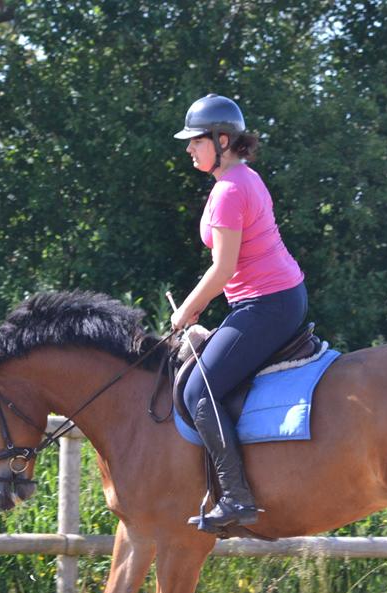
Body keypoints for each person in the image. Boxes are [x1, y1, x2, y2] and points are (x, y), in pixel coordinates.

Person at [170, 93, 308, 529]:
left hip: (267, 304)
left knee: (198, 391)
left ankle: (237, 498)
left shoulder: (231, 189)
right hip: (272, 299)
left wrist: (187, 311)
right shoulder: (237, 180)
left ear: (222, 139)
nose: (189, 148)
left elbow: (223, 267)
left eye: (196, 140)